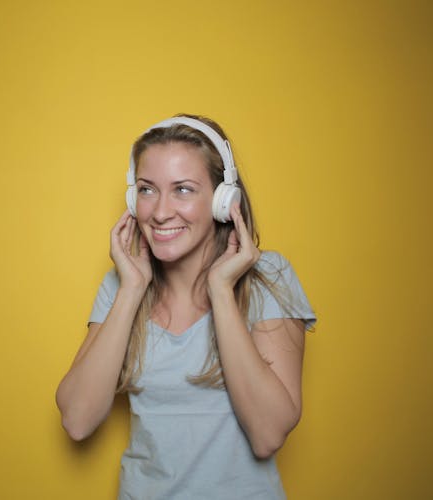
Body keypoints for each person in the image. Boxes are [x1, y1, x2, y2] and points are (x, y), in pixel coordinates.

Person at [55, 115, 316, 499]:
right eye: (146, 190)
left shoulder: (268, 278)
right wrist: (132, 289)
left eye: (182, 189)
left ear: (224, 200)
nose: (160, 212)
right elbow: (77, 420)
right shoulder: (121, 284)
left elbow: (267, 434)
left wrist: (221, 291)